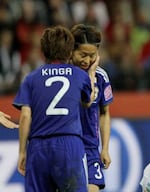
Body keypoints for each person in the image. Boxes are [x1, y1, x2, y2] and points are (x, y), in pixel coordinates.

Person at [13, 25, 98, 192]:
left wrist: (22, 152)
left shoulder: (30, 79)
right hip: (70, 145)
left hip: (39, 147)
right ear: (69, 51)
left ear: (43, 51)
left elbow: (25, 117)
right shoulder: (79, 75)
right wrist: (92, 73)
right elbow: (88, 102)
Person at [70, 24, 114, 192]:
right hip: (67, 145)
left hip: (90, 147)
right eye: (82, 54)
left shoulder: (101, 76)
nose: (87, 61)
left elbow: (105, 113)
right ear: (71, 50)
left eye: (92, 55)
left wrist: (105, 148)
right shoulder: (65, 76)